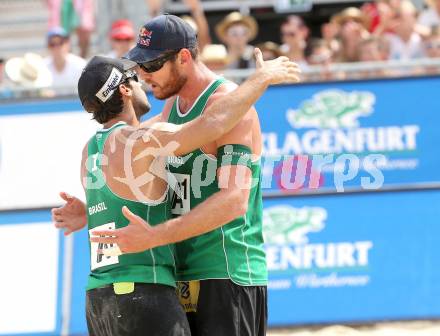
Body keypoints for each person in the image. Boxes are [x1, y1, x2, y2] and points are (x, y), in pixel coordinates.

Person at [54, 14, 300, 336]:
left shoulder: (232, 106)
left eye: (151, 65)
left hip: (223, 271)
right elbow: (138, 174)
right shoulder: (169, 113)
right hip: (176, 275)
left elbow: (235, 201)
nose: (143, 74)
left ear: (183, 57)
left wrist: (259, 80)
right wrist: (93, 212)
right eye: (139, 67)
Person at [44, 27, 86, 93]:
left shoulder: (80, 65)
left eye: (60, 43)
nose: (56, 47)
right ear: (48, 47)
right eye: (52, 44)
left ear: (68, 44)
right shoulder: (42, 67)